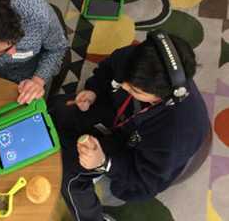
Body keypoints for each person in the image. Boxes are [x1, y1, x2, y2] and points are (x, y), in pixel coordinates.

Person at [49, 30, 210, 221]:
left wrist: (103, 162)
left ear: (162, 96)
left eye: (134, 89)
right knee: (57, 108)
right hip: (120, 114)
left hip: (137, 150)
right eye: (123, 81)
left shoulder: (176, 133)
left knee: (69, 172)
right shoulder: (136, 59)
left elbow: (144, 182)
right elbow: (108, 69)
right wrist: (93, 90)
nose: (122, 86)